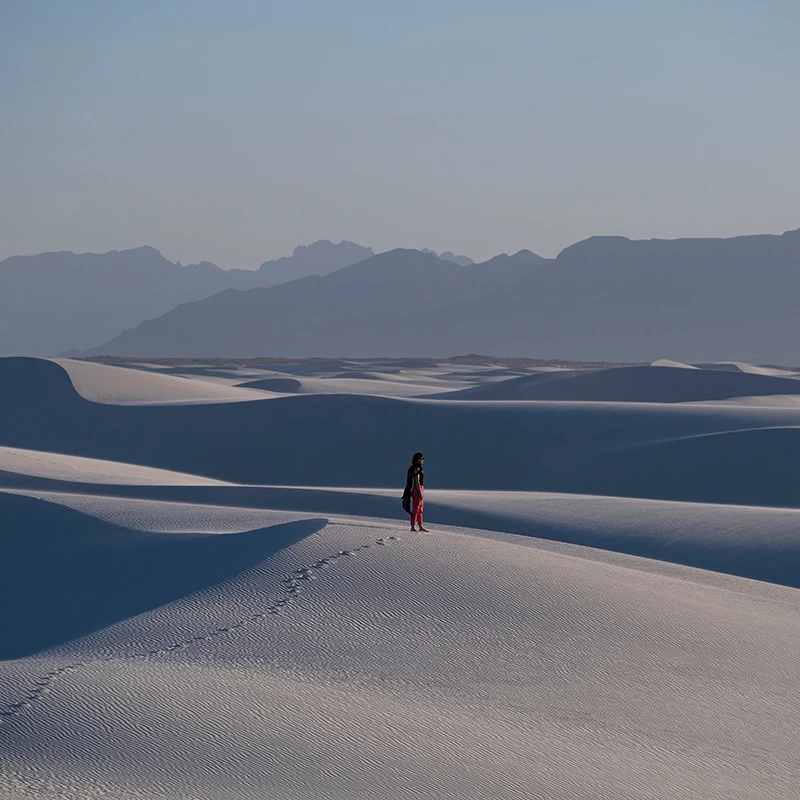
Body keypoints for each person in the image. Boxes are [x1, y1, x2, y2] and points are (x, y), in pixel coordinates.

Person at [407, 452, 428, 532]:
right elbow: (417, 481)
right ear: (418, 459)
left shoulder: (419, 468)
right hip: (417, 489)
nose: (423, 460)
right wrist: (420, 493)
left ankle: (420, 526)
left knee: (420, 509)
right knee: (416, 509)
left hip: (420, 488)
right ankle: (412, 526)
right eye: (421, 458)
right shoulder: (416, 469)